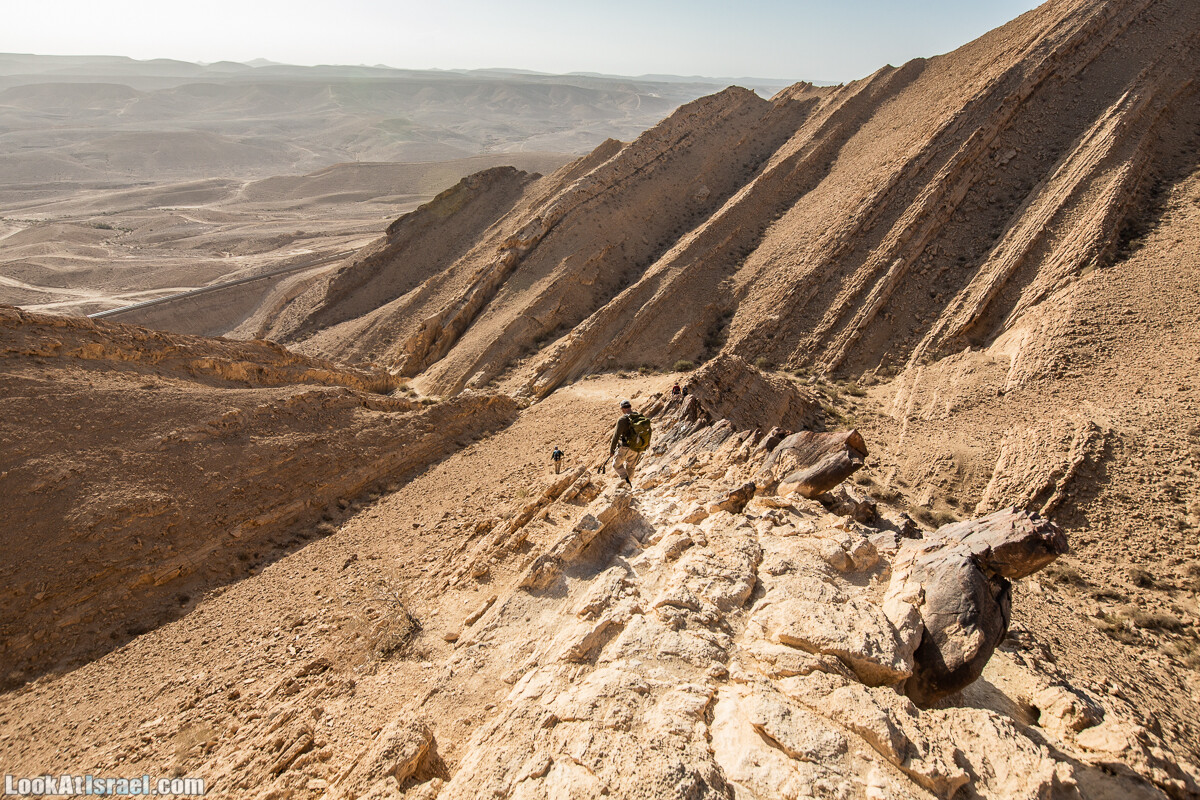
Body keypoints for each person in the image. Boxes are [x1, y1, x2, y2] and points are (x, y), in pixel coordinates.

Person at [609, 400, 641, 486]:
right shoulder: (638, 416)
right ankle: (628, 487)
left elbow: (616, 436)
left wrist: (612, 450)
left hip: (626, 447)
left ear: (622, 409)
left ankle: (626, 483)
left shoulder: (622, 419)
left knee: (616, 465)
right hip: (638, 448)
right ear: (630, 407)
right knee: (631, 467)